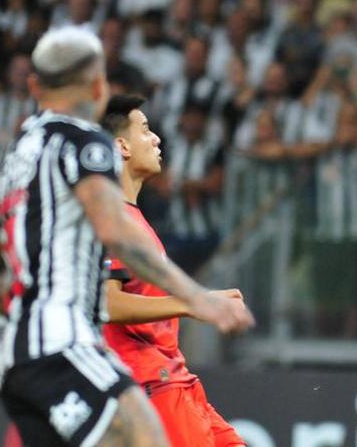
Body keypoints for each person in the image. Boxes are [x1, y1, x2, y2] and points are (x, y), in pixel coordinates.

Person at [0, 26, 253, 446]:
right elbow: (115, 236)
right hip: (71, 348)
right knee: (145, 436)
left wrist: (32, 313)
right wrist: (196, 299)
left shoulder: (16, 158)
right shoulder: (84, 143)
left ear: (34, 85)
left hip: (15, 354)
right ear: (99, 82)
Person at [99, 94, 247, 447]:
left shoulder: (132, 217)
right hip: (150, 385)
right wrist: (194, 302)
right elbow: (108, 304)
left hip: (175, 380)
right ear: (121, 146)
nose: (157, 139)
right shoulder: (111, 219)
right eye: (146, 130)